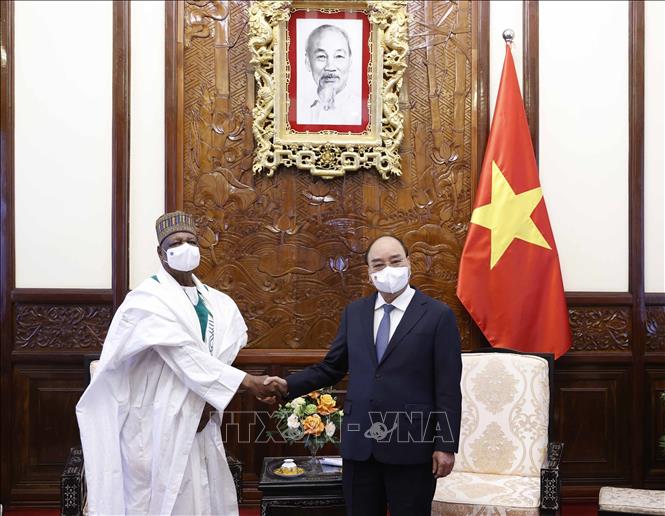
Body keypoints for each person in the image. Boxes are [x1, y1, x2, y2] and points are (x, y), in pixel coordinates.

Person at [76, 211, 286, 515]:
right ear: (161, 254)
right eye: (176, 243)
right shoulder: (146, 300)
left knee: (203, 491)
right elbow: (183, 354)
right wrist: (247, 382)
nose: (185, 247)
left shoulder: (219, 303)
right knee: (163, 496)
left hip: (203, 415)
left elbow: (223, 350)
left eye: (191, 241)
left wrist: (208, 402)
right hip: (157, 416)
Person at [265, 235, 462, 516]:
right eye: (378, 265)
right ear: (369, 273)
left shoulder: (437, 315)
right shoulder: (355, 313)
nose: (387, 270)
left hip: (412, 446)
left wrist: (446, 445)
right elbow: (331, 368)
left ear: (409, 264)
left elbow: (448, 389)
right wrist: (287, 384)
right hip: (360, 446)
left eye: (395, 261)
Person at [298, 23, 361, 125]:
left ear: (350, 62)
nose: (330, 67)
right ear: (308, 62)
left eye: (339, 56)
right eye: (321, 56)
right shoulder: (294, 110)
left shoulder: (364, 110)